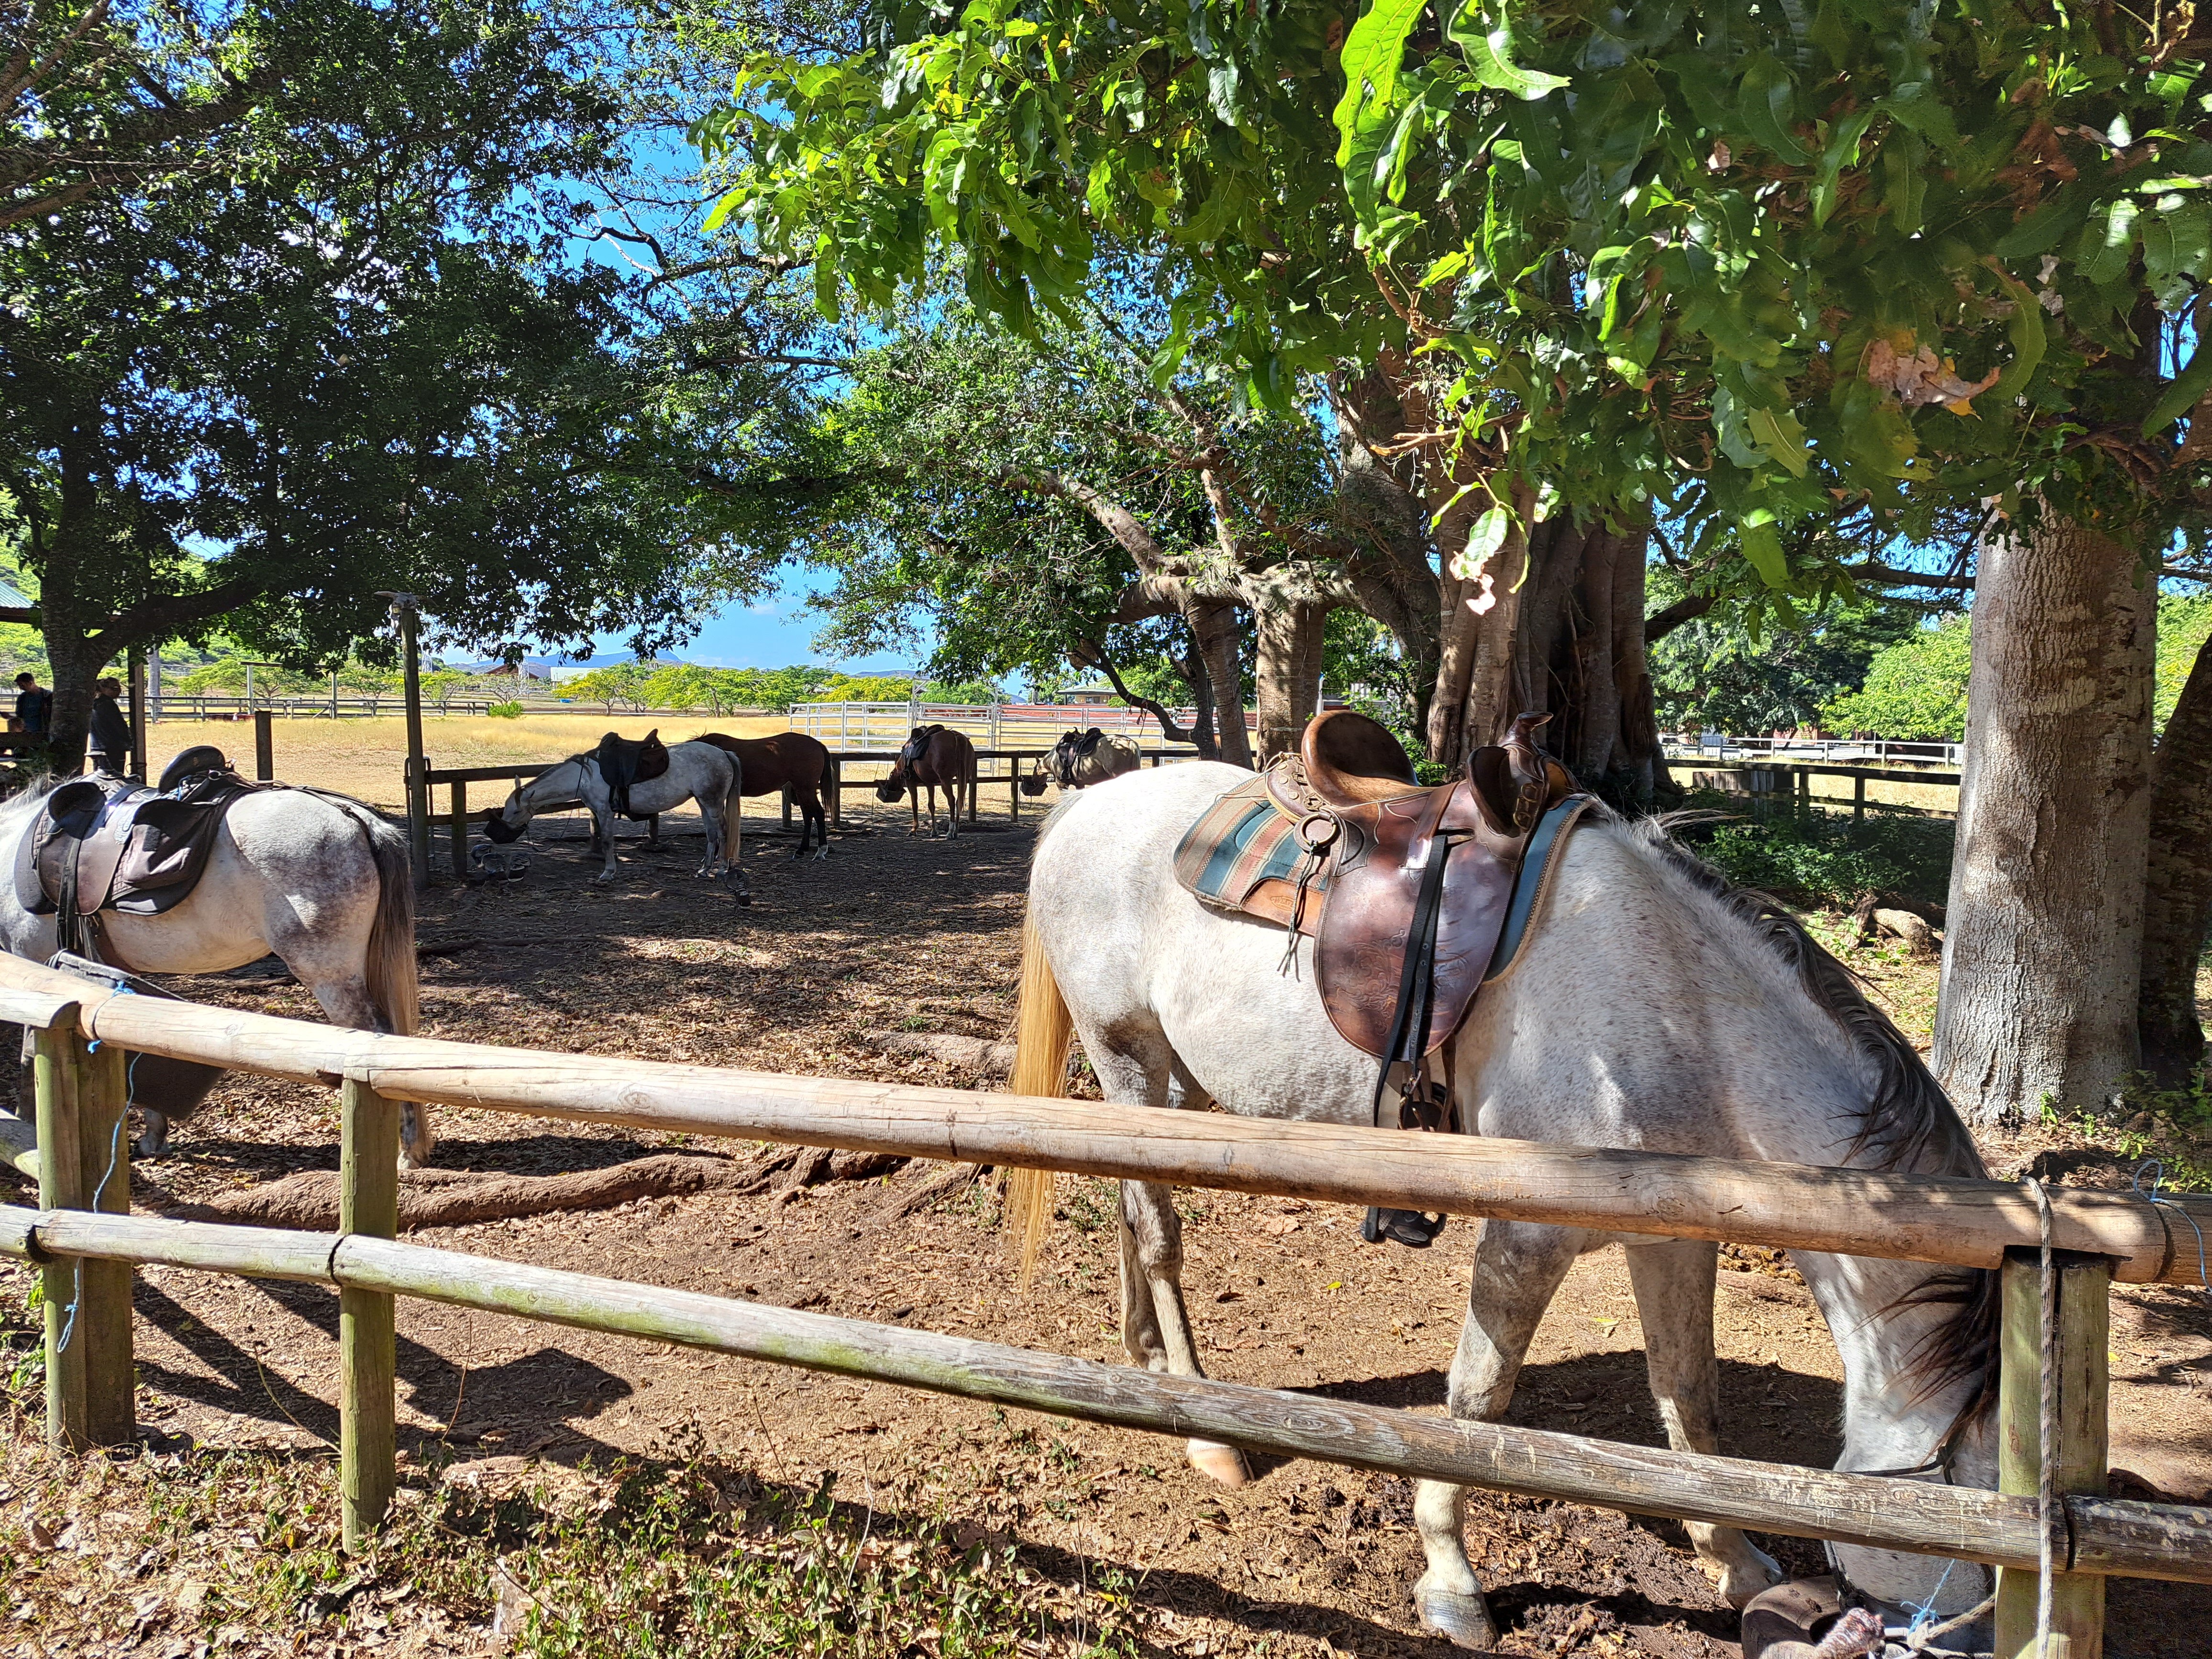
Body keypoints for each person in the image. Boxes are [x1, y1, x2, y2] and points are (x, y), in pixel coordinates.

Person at [88, 676, 133, 777]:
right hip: (113, 747)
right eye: (115, 688)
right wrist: (129, 739)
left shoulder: (94, 704)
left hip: (97, 747)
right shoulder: (108, 704)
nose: (119, 692)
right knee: (115, 777)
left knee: (100, 776)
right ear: (104, 689)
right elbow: (118, 726)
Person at [13, 672, 51, 742]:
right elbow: (20, 716)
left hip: (43, 734)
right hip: (26, 734)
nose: (21, 688)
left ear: (30, 683)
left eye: (22, 685)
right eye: (19, 686)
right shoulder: (22, 698)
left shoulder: (47, 696)